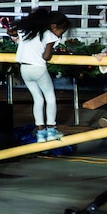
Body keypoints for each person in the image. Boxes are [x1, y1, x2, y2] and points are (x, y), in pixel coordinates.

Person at [12, 8, 71, 143]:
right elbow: (46, 56)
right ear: (53, 26)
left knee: (37, 99)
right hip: (38, 69)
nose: (60, 35)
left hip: (24, 69)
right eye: (61, 31)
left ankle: (40, 132)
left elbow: (13, 33)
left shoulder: (27, 32)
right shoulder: (49, 35)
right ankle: (51, 129)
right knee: (50, 97)